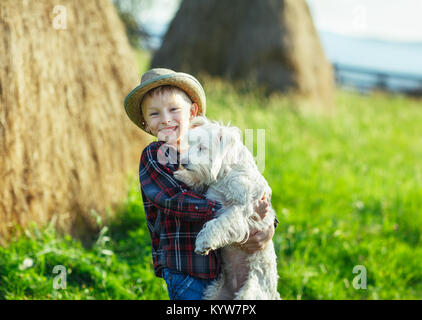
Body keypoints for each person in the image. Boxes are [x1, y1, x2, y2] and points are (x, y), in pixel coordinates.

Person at [124, 68, 276, 300]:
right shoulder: (154, 156)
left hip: (218, 271)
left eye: (174, 109)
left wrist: (267, 225)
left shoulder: (209, 151)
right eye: (154, 114)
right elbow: (176, 200)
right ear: (146, 124)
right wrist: (234, 216)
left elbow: (245, 186)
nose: (165, 119)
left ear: (192, 112)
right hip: (186, 271)